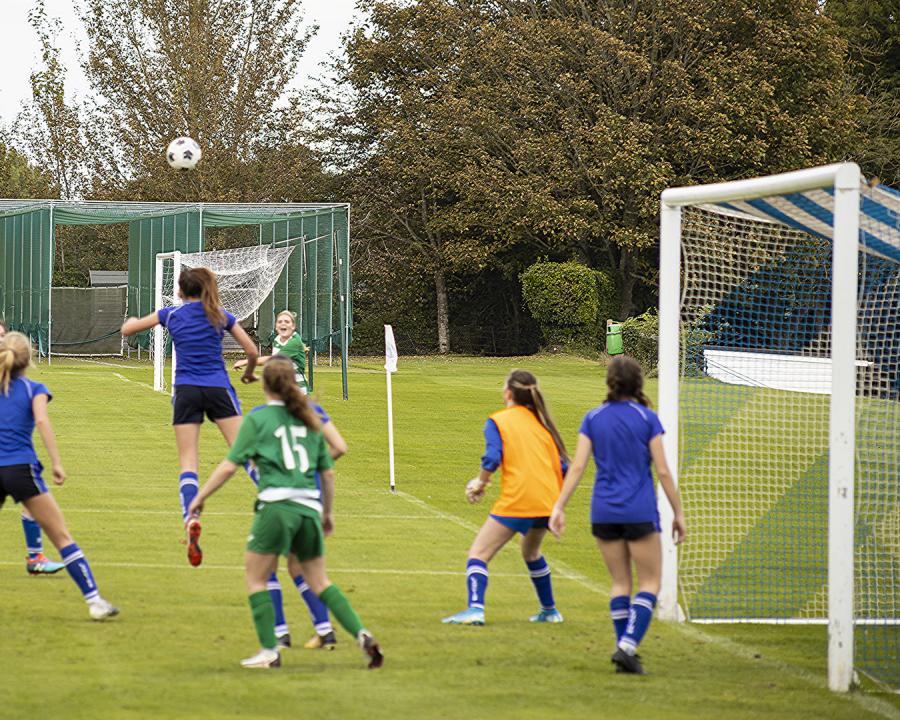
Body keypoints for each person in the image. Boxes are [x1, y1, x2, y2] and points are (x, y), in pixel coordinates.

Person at [188, 357, 384, 670]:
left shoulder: (259, 418)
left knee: (256, 578)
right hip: (309, 507)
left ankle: (270, 651)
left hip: (276, 505)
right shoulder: (309, 417)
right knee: (320, 581)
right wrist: (327, 513)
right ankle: (361, 633)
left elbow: (229, 465)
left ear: (264, 384)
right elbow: (327, 473)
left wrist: (200, 496)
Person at [549, 355, 686, 675]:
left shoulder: (593, 417)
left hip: (603, 511)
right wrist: (678, 512)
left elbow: (578, 467)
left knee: (620, 583)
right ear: (638, 383)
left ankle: (625, 651)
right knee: (650, 582)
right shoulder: (647, 418)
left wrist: (559, 506)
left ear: (610, 382)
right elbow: (663, 471)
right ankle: (627, 646)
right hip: (638, 511)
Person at [121, 267, 259, 565]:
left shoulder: (170, 314)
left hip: (186, 390)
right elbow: (251, 350)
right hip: (218, 388)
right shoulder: (219, 315)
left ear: (180, 291)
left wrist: (130, 322)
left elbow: (128, 330)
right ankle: (275, 498)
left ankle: (190, 517)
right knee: (245, 452)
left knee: (188, 461)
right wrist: (248, 374)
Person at [0, 331, 119, 619]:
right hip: (21, 469)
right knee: (61, 537)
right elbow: (42, 421)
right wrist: (56, 463)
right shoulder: (34, 389)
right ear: (29, 359)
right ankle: (95, 602)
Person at [442, 369, 568, 626]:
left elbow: (491, 458)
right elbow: (563, 467)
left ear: (509, 393)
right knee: (531, 552)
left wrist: (480, 483)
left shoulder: (498, 421)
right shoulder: (542, 425)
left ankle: (475, 609)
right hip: (548, 501)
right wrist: (558, 505)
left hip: (520, 499)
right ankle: (550, 610)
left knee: (479, 553)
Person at [269, 396, 347, 652]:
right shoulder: (313, 409)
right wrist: (314, 465)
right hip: (313, 499)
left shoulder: (265, 415)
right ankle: (325, 631)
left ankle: (279, 634)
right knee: (299, 567)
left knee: (265, 567)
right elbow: (339, 447)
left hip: (283, 499)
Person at [0, 319, 64, 576]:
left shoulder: (18, 381)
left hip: (15, 460)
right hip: (14, 461)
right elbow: (40, 419)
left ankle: (36, 556)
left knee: (32, 501)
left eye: (2, 335)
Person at [234, 310, 308, 393]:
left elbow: (273, 359)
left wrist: (245, 362)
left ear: (293, 326)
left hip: (298, 390)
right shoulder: (277, 339)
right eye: (280, 322)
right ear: (276, 326)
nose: (283, 323)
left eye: (287, 322)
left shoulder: (294, 341)